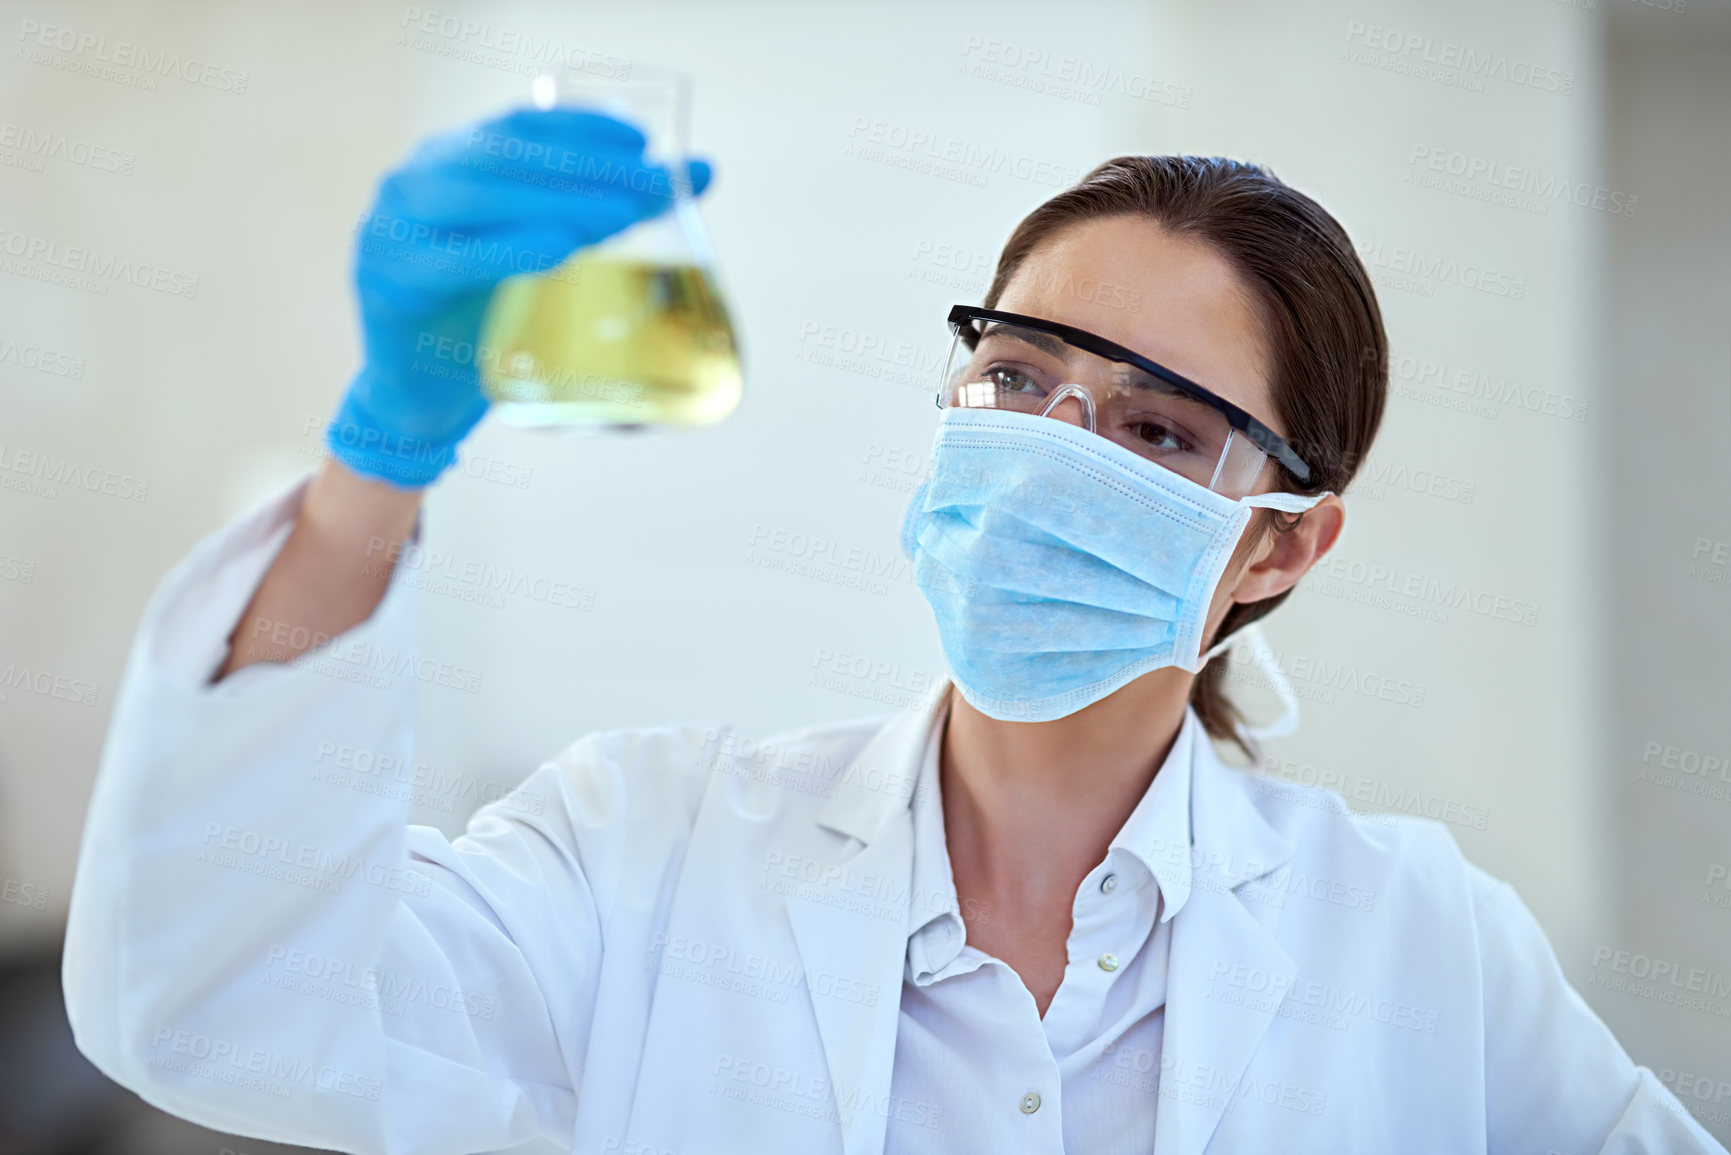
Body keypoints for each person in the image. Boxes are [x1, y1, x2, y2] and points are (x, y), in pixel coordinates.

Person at [60, 108, 1724, 1155]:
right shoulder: (645, 854)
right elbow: (219, 1004)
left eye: (1151, 432)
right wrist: (379, 460)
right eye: (1014, 380)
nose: (1045, 450)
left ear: (1279, 545)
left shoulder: (1421, 947)